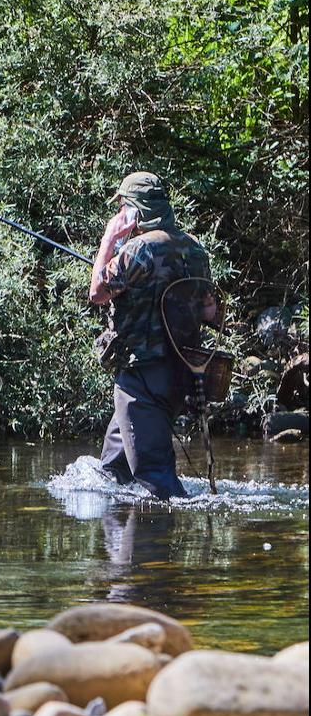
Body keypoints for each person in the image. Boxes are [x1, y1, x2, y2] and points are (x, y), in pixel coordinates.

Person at [88, 171, 211, 500]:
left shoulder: (139, 249)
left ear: (132, 210)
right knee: (113, 474)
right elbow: (209, 310)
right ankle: (120, 540)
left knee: (157, 481)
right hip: (178, 374)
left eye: (122, 208)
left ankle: (154, 545)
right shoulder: (195, 250)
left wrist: (109, 240)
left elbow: (98, 291)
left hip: (141, 377)